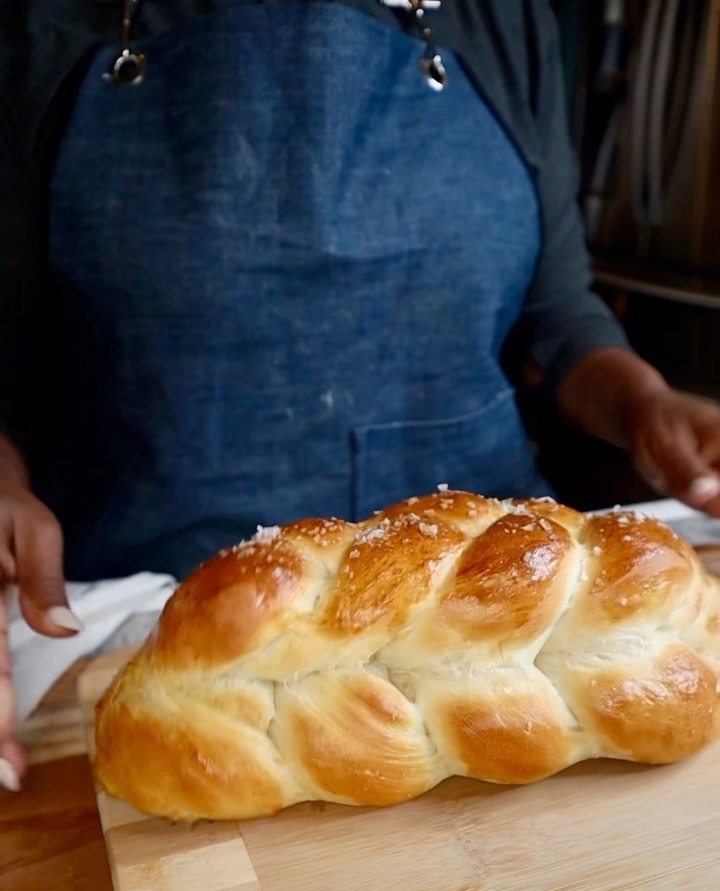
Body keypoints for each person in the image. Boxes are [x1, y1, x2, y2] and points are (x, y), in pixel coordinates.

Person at [3, 0, 720, 792]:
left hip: (511, 610)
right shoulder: (39, 26)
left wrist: (645, 403)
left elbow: (557, 313)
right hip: (148, 614)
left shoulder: (503, 18)